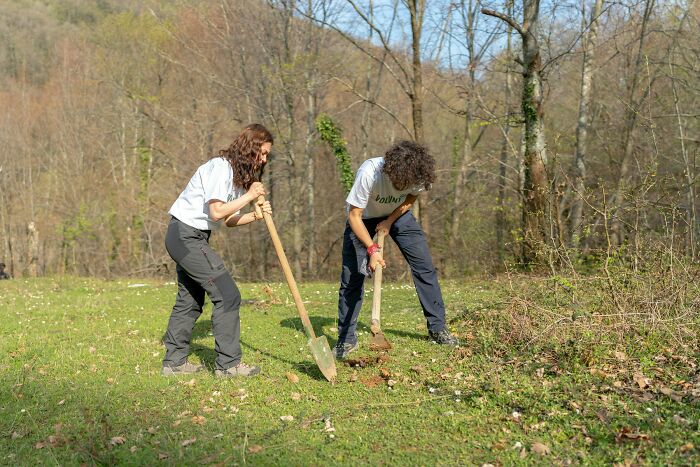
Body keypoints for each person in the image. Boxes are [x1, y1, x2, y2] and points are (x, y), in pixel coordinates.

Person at [163, 123, 273, 377]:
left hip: (191, 236)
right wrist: (250, 196)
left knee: (190, 300)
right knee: (228, 294)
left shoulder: (233, 175)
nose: (265, 159)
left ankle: (174, 363)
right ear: (251, 149)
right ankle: (228, 365)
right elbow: (216, 211)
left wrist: (254, 215)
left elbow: (229, 219)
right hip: (185, 235)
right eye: (264, 153)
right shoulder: (220, 167)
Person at [334, 140, 459, 359]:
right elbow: (354, 216)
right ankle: (346, 339)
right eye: (399, 182)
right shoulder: (370, 173)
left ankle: (437, 329)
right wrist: (372, 249)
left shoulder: (419, 174)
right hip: (362, 218)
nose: (402, 187)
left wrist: (390, 221)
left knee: (425, 268)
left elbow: (412, 197)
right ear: (391, 172)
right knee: (352, 277)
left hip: (398, 215)